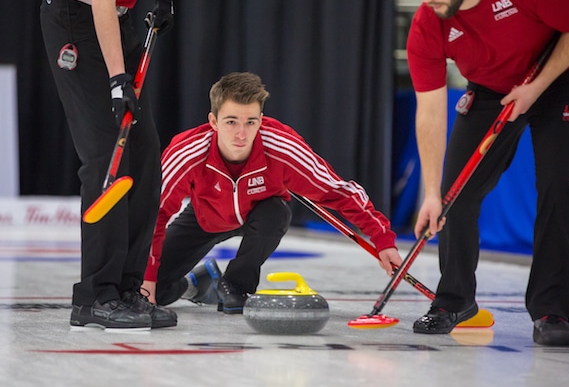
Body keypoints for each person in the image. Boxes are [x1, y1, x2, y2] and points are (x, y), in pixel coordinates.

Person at [389, 0, 569, 346]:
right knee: (454, 198)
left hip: (562, 76)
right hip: (491, 88)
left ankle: (551, 310)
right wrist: (430, 193)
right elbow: (429, 111)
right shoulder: (429, 23)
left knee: (557, 183)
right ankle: (454, 300)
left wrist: (536, 88)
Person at [141, 72, 403, 314]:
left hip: (261, 212)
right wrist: (149, 282)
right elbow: (156, 213)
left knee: (276, 213)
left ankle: (236, 285)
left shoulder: (281, 147)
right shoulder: (188, 152)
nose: (241, 134)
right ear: (213, 121)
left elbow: (338, 191)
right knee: (150, 286)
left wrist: (383, 238)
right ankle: (197, 285)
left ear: (261, 120)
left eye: (251, 122)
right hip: (206, 217)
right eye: (231, 122)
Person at [39, 0, 192, 331]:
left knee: (142, 154)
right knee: (108, 151)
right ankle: (95, 296)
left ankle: (127, 291)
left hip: (113, 15)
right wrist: (116, 80)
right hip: (76, 15)